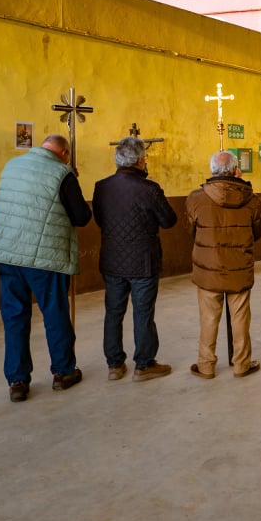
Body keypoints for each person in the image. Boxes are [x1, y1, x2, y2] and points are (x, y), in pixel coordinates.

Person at [0, 134, 92, 402]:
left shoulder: (11, 166)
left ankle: (17, 381)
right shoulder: (62, 173)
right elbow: (81, 217)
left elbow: (4, 211)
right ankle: (63, 372)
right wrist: (72, 183)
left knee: (14, 317)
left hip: (8, 255)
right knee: (54, 313)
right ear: (64, 153)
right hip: (45, 259)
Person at [92, 137, 178, 382]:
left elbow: (99, 219)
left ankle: (114, 365)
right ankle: (144, 365)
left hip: (112, 261)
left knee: (113, 312)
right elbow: (169, 220)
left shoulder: (102, 187)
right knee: (143, 313)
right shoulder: (149, 188)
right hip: (143, 262)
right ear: (140, 161)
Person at [187, 150, 261, 379]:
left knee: (208, 318)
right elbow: (258, 231)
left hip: (208, 268)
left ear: (212, 170)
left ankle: (206, 365)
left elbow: (191, 230)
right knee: (240, 318)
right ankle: (241, 365)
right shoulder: (252, 199)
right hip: (239, 266)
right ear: (235, 170)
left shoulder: (196, 198)